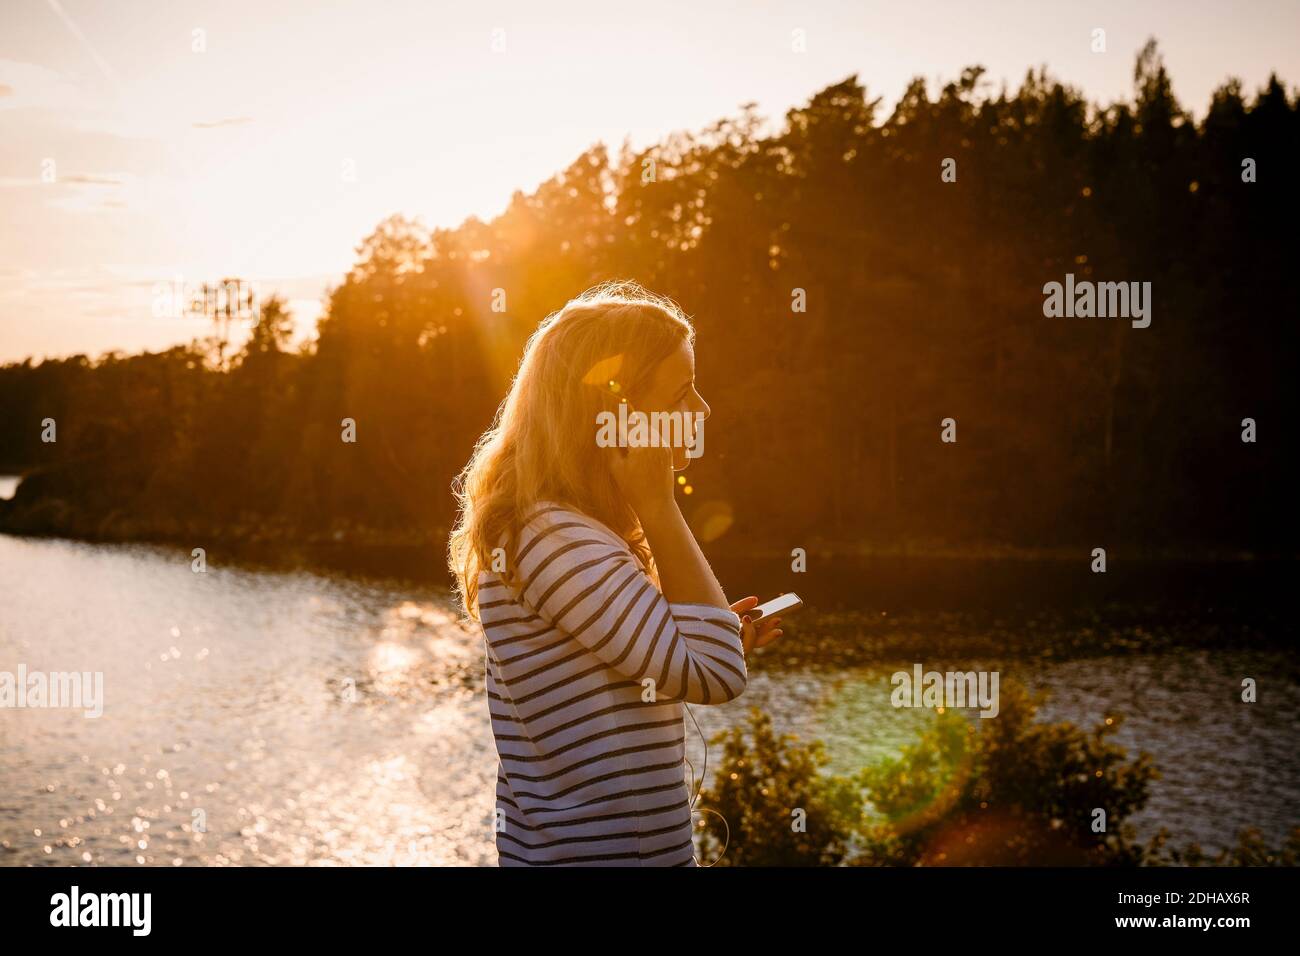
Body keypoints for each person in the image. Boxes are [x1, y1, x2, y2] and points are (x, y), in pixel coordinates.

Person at [448, 280, 784, 865]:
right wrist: (659, 504)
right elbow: (717, 676)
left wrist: (706, 636)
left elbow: (683, 663)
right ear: (617, 412)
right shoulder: (554, 539)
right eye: (684, 392)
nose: (703, 411)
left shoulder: (568, 532)